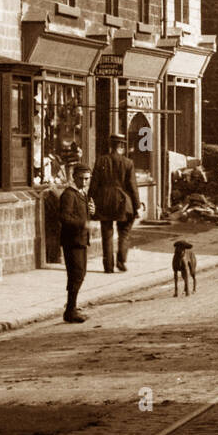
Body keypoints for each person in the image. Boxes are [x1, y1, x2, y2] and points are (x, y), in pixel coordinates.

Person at [90, 133, 140, 273]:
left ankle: (108, 266)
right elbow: (132, 186)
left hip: (104, 201)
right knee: (124, 232)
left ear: (111, 146)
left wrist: (90, 201)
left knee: (107, 234)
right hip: (123, 202)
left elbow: (94, 185)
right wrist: (137, 206)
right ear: (122, 146)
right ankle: (121, 261)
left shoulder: (101, 161)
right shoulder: (128, 163)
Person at [58, 163, 93, 323]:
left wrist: (91, 211)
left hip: (81, 240)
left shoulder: (81, 193)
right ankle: (70, 310)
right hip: (72, 241)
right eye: (82, 178)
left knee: (80, 274)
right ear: (74, 177)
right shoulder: (69, 194)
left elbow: (82, 214)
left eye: (87, 179)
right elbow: (64, 218)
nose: (85, 182)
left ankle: (71, 307)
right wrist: (82, 223)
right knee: (76, 275)